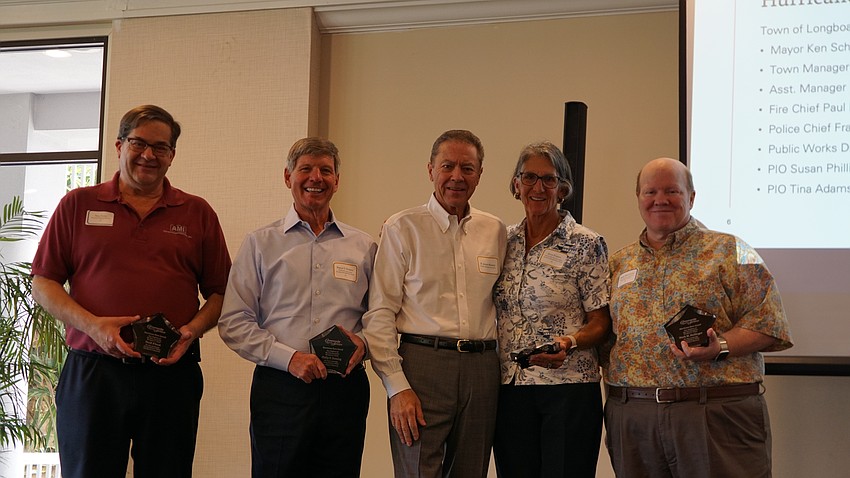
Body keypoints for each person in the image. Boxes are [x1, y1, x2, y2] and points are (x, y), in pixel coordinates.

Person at [30, 104, 232, 478]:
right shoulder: (77, 205)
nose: (148, 155)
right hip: (93, 373)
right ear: (120, 145)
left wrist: (191, 332)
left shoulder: (197, 212)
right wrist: (93, 326)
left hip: (171, 376)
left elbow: (222, 293)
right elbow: (43, 282)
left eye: (161, 147)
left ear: (172, 156)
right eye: (139, 143)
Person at [602, 157, 793, 478]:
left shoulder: (732, 250)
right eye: (650, 192)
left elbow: (770, 325)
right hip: (633, 418)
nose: (660, 199)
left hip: (713, 414)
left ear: (691, 197)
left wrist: (718, 345)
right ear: (638, 198)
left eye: (671, 191)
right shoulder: (619, 263)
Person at [218, 137, 376, 478]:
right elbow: (234, 321)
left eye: (325, 170)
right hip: (280, 389)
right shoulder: (260, 243)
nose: (315, 177)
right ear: (288, 177)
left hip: (344, 390)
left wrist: (365, 343)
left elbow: (379, 317)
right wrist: (289, 359)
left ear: (337, 180)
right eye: (305, 169)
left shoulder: (364, 247)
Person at [363, 129, 507, 478]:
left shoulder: (497, 231)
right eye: (447, 166)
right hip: (422, 367)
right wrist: (397, 387)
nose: (457, 176)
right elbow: (380, 313)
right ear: (430, 170)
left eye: (467, 168)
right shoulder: (403, 228)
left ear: (480, 174)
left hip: (482, 370)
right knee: (418, 471)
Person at [492, 141, 611, 478]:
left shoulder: (586, 243)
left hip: (568, 389)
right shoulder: (502, 240)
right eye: (529, 177)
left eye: (549, 179)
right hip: (511, 388)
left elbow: (601, 322)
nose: (538, 187)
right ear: (516, 185)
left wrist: (568, 342)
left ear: (563, 189)